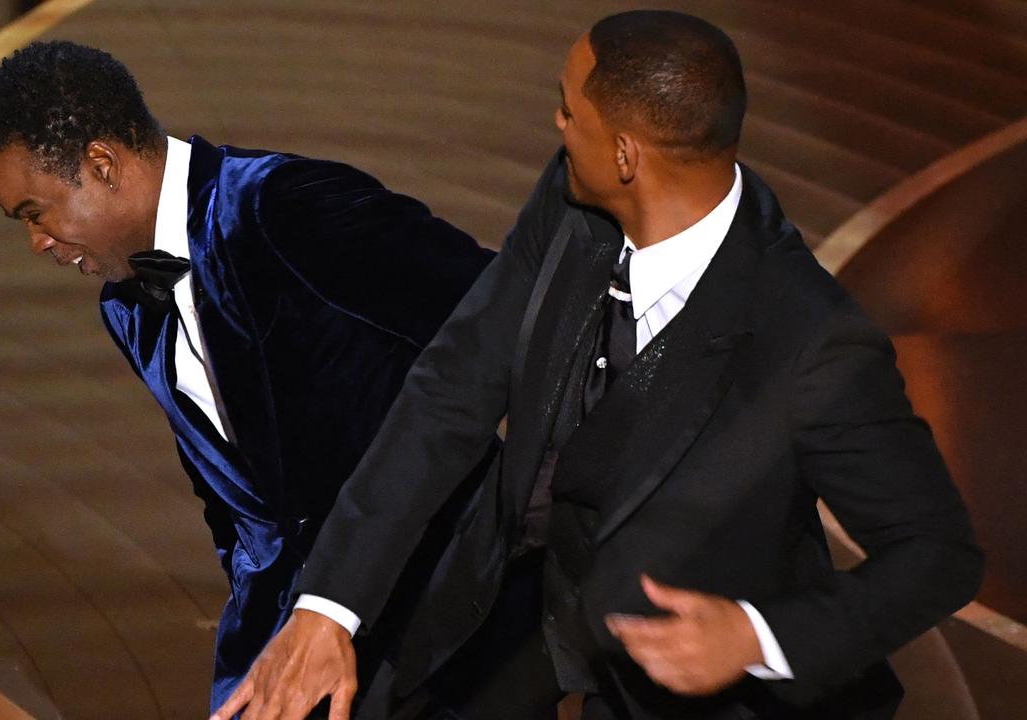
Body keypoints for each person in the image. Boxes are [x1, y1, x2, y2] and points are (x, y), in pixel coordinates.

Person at [216, 11, 983, 720]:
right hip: (519, 608)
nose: (556, 125)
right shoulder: (573, 200)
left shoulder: (811, 343)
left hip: (699, 687)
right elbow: (450, 390)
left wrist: (755, 638)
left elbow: (938, 554)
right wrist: (328, 607)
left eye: (568, 112)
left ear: (625, 155)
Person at [0, 40, 495, 712]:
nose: (37, 242)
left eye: (34, 213)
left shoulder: (286, 208)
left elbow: (497, 319)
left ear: (101, 164)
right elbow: (233, 502)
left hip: (443, 614)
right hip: (283, 640)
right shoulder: (128, 307)